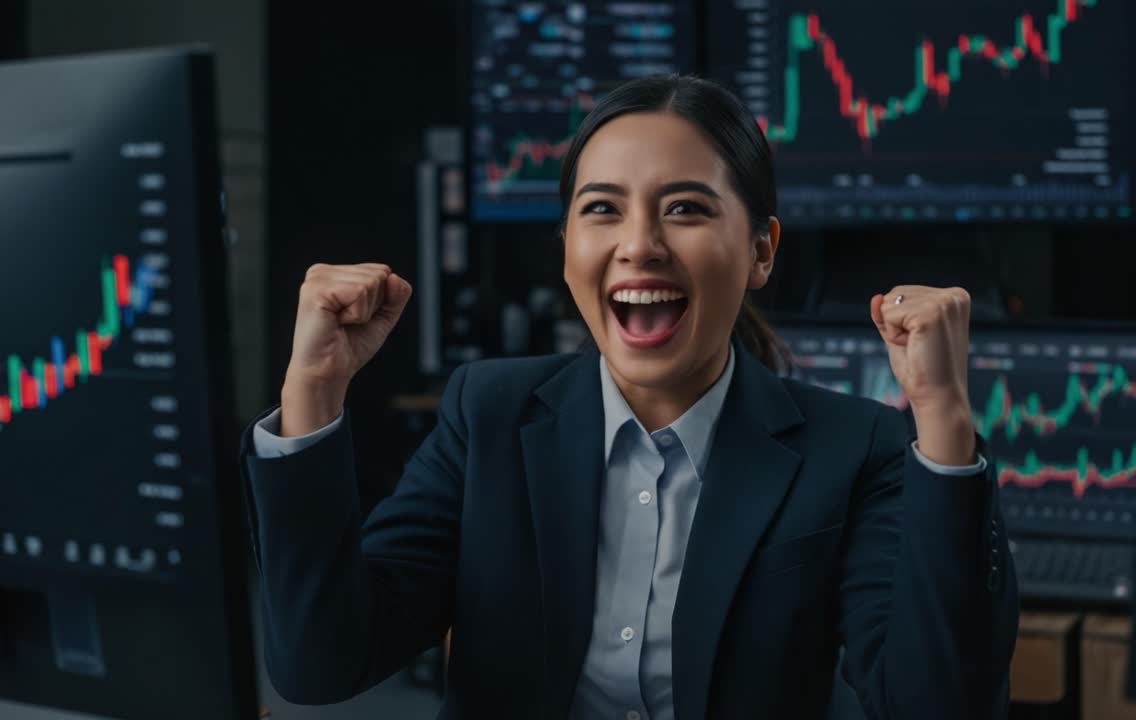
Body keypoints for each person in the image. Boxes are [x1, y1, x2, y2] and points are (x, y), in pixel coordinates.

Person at [241, 74, 1019, 719]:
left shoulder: (855, 449)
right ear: (568, 247)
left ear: (761, 251)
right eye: (602, 209)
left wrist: (945, 426)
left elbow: (936, 706)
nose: (639, 244)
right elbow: (320, 664)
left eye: (685, 208)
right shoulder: (488, 415)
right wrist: (314, 391)